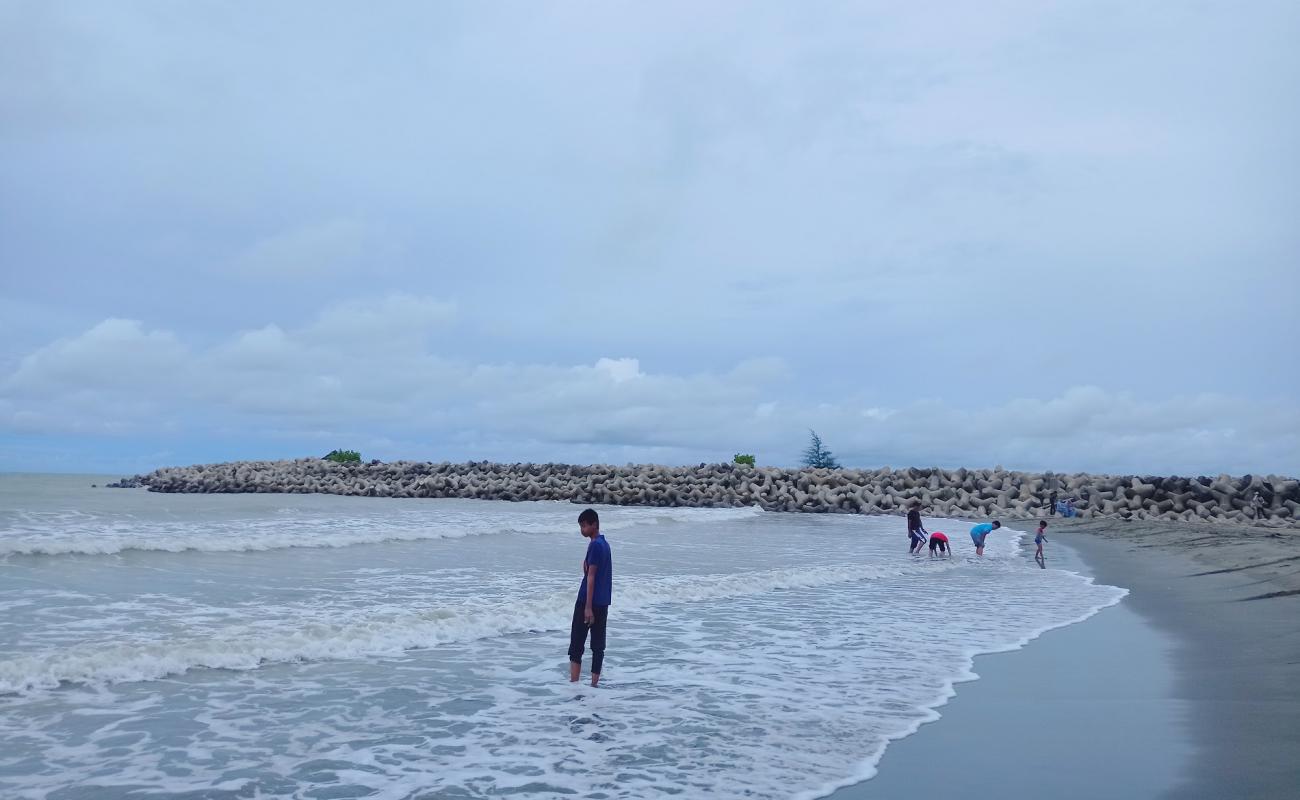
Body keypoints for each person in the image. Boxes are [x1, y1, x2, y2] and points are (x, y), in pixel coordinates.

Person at [568, 508, 612, 687]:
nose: (582, 530)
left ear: (594, 524)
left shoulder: (594, 545)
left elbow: (591, 577)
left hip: (588, 601)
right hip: (602, 602)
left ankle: (574, 683)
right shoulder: (604, 544)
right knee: (598, 646)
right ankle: (594, 686)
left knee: (577, 645)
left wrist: (587, 607)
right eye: (580, 526)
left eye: (584, 526)